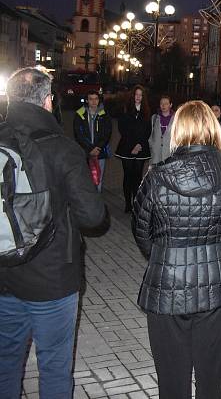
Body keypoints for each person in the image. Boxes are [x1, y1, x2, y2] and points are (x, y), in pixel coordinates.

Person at [0, 67, 107, 398]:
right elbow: (93, 216)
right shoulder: (62, 148)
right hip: (53, 277)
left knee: (5, 362)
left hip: (4, 272)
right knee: (54, 367)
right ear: (48, 101)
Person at [133, 100, 221, 399]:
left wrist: (163, 254)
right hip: (217, 286)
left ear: (177, 129)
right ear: (214, 128)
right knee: (212, 382)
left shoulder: (156, 176)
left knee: (172, 383)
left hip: (167, 285)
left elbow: (141, 232)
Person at [116, 85, 152, 212]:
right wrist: (132, 145)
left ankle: (136, 203)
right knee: (128, 176)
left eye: (140, 95)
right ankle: (127, 204)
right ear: (133, 96)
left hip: (141, 148)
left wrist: (139, 145)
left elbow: (148, 130)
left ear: (143, 97)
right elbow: (122, 128)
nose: (138, 97)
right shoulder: (125, 109)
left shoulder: (147, 111)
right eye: (136, 94)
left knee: (138, 177)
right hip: (127, 147)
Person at [72, 89, 112, 191]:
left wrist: (98, 147)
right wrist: (90, 148)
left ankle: (97, 202)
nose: (94, 102)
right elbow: (78, 134)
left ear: (99, 100)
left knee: (98, 179)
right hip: (85, 153)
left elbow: (107, 133)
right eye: (91, 99)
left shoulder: (104, 114)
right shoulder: (80, 114)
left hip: (100, 153)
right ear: (87, 100)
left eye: (96, 99)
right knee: (85, 180)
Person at [148, 94, 174, 165]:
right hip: (155, 155)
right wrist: (151, 145)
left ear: (170, 105)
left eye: (166, 103)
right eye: (161, 103)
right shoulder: (154, 118)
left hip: (169, 155)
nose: (163, 105)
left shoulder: (176, 119)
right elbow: (150, 134)